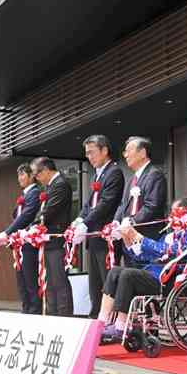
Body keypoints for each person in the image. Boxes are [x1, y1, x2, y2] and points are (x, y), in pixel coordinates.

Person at [98, 198, 187, 343]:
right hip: (153, 274)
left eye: (177, 213)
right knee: (115, 271)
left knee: (127, 274)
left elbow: (171, 252)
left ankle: (121, 324)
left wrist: (140, 238)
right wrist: (127, 239)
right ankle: (102, 321)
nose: (172, 217)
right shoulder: (168, 236)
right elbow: (145, 256)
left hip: (169, 279)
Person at [74, 135, 125, 319]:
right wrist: (79, 220)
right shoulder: (98, 173)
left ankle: (110, 321)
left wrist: (86, 223)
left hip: (107, 237)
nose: (89, 157)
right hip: (94, 237)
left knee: (107, 281)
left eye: (92, 152)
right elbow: (90, 204)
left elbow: (106, 203)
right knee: (94, 283)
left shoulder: (114, 172)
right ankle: (95, 318)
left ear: (104, 151)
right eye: (86, 153)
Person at [32, 157, 74, 316]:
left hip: (57, 239)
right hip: (48, 241)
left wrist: (33, 227)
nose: (36, 178)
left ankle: (64, 316)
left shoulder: (60, 184)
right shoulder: (50, 186)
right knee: (49, 281)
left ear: (46, 170)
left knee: (59, 281)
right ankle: (52, 314)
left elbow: (49, 211)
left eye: (37, 174)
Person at [114, 136, 168, 258]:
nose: (125, 155)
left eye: (129, 151)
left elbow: (152, 206)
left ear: (143, 152)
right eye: (124, 152)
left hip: (147, 239)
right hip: (129, 239)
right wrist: (116, 222)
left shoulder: (155, 175)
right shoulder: (131, 179)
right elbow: (123, 205)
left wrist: (133, 221)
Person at [3, 163, 42, 314]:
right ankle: (26, 308)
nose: (19, 178)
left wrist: (7, 233)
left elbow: (27, 216)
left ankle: (34, 309)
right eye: (18, 175)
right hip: (19, 244)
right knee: (21, 279)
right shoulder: (25, 195)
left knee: (30, 278)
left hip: (29, 242)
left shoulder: (35, 193)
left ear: (32, 176)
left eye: (23, 174)